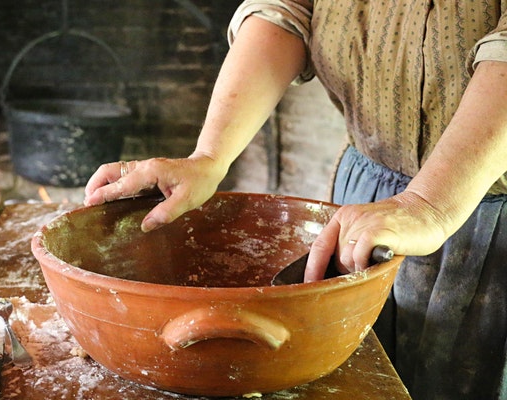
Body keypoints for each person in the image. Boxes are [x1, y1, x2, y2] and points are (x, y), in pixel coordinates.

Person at [83, 2, 507, 399]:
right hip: (368, 199)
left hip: (490, 210)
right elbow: (285, 11)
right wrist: (209, 157)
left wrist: (430, 203)